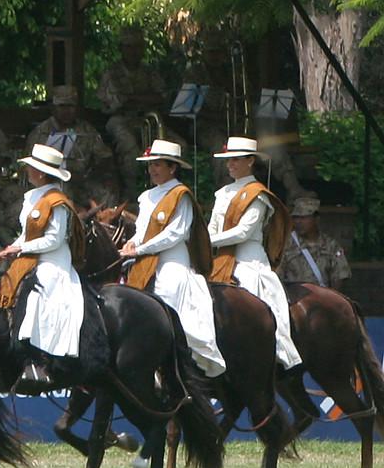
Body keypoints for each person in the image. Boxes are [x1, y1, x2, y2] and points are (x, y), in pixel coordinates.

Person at [120, 139, 224, 377]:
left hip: (173, 262)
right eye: (150, 165)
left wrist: (141, 249)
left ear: (172, 167)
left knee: (169, 292)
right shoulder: (147, 196)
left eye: (158, 165)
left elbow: (176, 233)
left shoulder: (181, 195)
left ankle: (180, 360)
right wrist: (133, 242)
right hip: (145, 262)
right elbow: (142, 229)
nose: (153, 170)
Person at [0, 144, 87, 391]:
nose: (27, 170)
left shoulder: (58, 201)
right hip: (31, 256)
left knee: (39, 290)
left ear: (41, 173)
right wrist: (11, 247)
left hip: (53, 260)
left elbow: (54, 240)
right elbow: (25, 235)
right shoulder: (33, 197)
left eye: (31, 167)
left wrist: (20, 249)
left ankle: (38, 359)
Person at [208, 137, 301, 370]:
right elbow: (212, 226)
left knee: (255, 293)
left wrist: (207, 241)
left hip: (249, 258)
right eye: (228, 160)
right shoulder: (222, 193)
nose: (230, 165)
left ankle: (278, 350)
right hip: (220, 259)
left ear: (250, 161)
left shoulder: (258, 194)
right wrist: (204, 241)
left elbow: (244, 232)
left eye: (236, 160)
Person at [97, 29, 167, 191]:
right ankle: (131, 193)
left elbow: (161, 97)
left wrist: (134, 97)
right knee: (129, 147)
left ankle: (167, 189)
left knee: (175, 145)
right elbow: (119, 102)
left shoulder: (149, 72)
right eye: (129, 47)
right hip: (119, 119)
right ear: (121, 49)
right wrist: (144, 97)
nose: (133, 51)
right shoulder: (112, 73)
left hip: (147, 119)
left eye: (137, 47)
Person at [24, 86, 115, 207]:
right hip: (49, 182)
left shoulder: (87, 130)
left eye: (70, 106)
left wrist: (93, 173)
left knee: (108, 193)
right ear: (53, 108)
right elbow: (28, 165)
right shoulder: (40, 132)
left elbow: (105, 157)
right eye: (62, 106)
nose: (67, 111)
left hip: (82, 182)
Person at [279, 195, 347, 289]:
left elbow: (340, 276)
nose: (298, 222)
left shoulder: (331, 246)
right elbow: (277, 277)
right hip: (294, 300)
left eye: (304, 218)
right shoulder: (286, 244)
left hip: (322, 299)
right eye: (296, 218)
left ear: (316, 218)